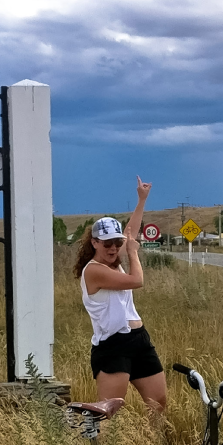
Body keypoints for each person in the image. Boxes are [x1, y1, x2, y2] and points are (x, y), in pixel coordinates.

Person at [74, 178, 167, 416]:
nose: (113, 248)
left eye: (117, 243)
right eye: (107, 243)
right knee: (109, 412)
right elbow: (137, 281)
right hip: (113, 345)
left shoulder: (114, 260)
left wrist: (142, 200)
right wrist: (133, 254)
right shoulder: (94, 270)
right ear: (94, 242)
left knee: (158, 404)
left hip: (139, 340)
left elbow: (130, 233)